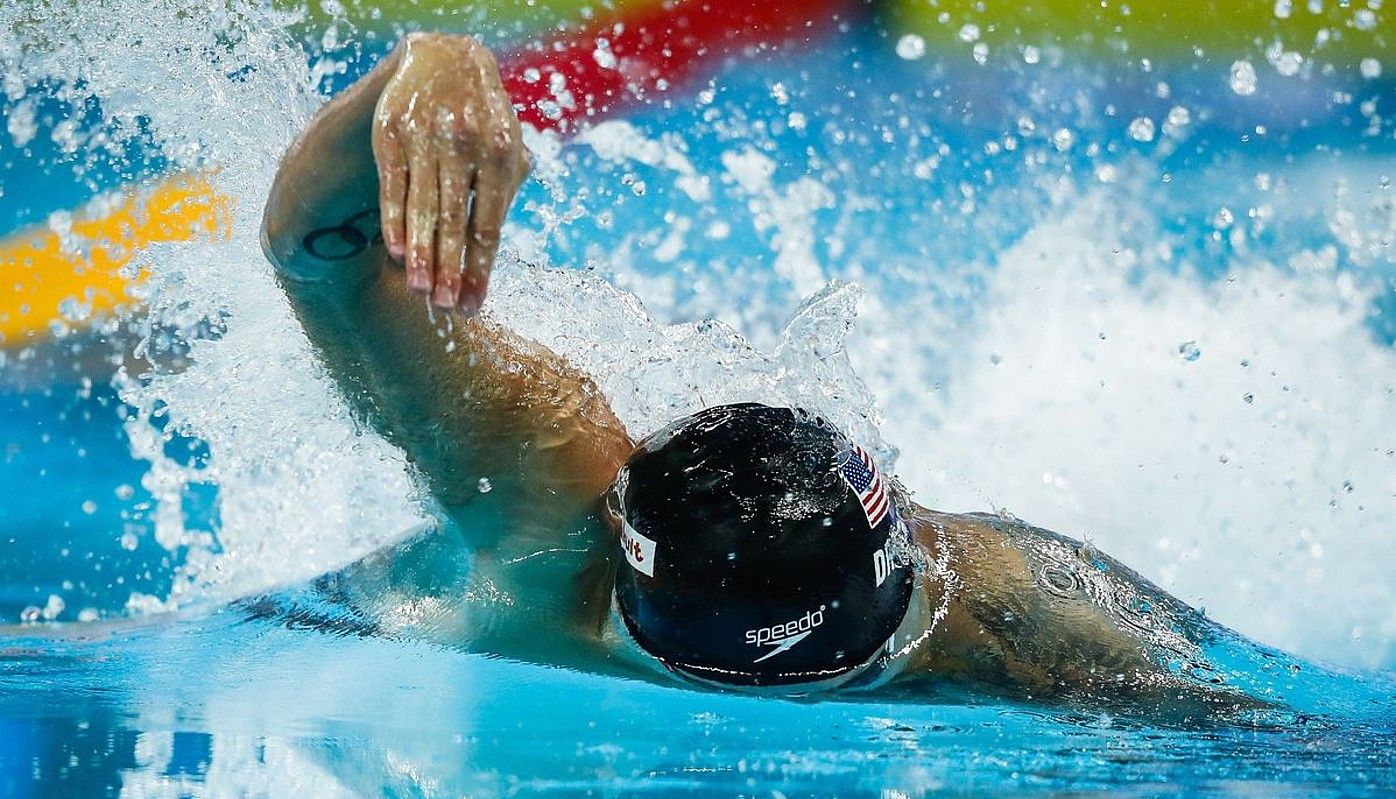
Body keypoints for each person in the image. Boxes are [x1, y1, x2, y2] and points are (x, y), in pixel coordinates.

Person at [261, 32, 1256, 711]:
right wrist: (426, 66)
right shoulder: (547, 517)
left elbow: (1267, 739)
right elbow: (318, 259)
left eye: (855, 669)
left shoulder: (1010, 608)